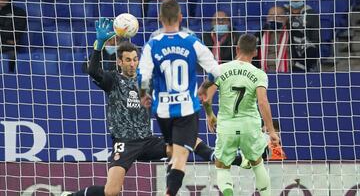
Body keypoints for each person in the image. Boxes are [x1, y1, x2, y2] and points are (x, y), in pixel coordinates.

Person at [64, 18, 244, 196]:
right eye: (128, 60)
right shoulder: (113, 80)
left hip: (147, 141)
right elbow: (93, 71)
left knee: (184, 142)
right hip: (125, 143)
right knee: (111, 192)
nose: (132, 63)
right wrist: (99, 45)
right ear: (119, 62)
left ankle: (216, 157)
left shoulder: (145, 81)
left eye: (135, 59)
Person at [138, 0, 221, 196]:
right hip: (186, 109)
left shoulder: (152, 45)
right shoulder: (192, 42)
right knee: (181, 156)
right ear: (181, 17)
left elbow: (143, 76)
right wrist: (204, 86)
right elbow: (216, 72)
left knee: (174, 152)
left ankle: (168, 189)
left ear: (160, 18)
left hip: (163, 111)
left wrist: (144, 94)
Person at [201, 34, 280, 196]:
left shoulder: (221, 70)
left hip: (227, 126)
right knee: (257, 164)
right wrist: (271, 131)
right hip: (249, 126)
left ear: (237, 49)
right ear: (256, 52)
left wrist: (210, 115)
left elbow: (206, 98)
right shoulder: (259, 74)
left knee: (222, 166)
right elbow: (263, 103)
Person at [285, 0, 320, 72]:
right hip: (284, 49)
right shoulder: (282, 12)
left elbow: (315, 39)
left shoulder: (311, 15)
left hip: (304, 51)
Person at [254, 6, 290, 73]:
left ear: (286, 18)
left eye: (278, 16)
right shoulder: (259, 35)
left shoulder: (294, 34)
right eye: (271, 16)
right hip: (261, 72)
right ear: (267, 18)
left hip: (289, 71)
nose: (274, 19)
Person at [0, 0, 26, 72]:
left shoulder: (18, 12)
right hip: (7, 44)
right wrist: (6, 39)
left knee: (12, 56)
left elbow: (15, 33)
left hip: (8, 49)